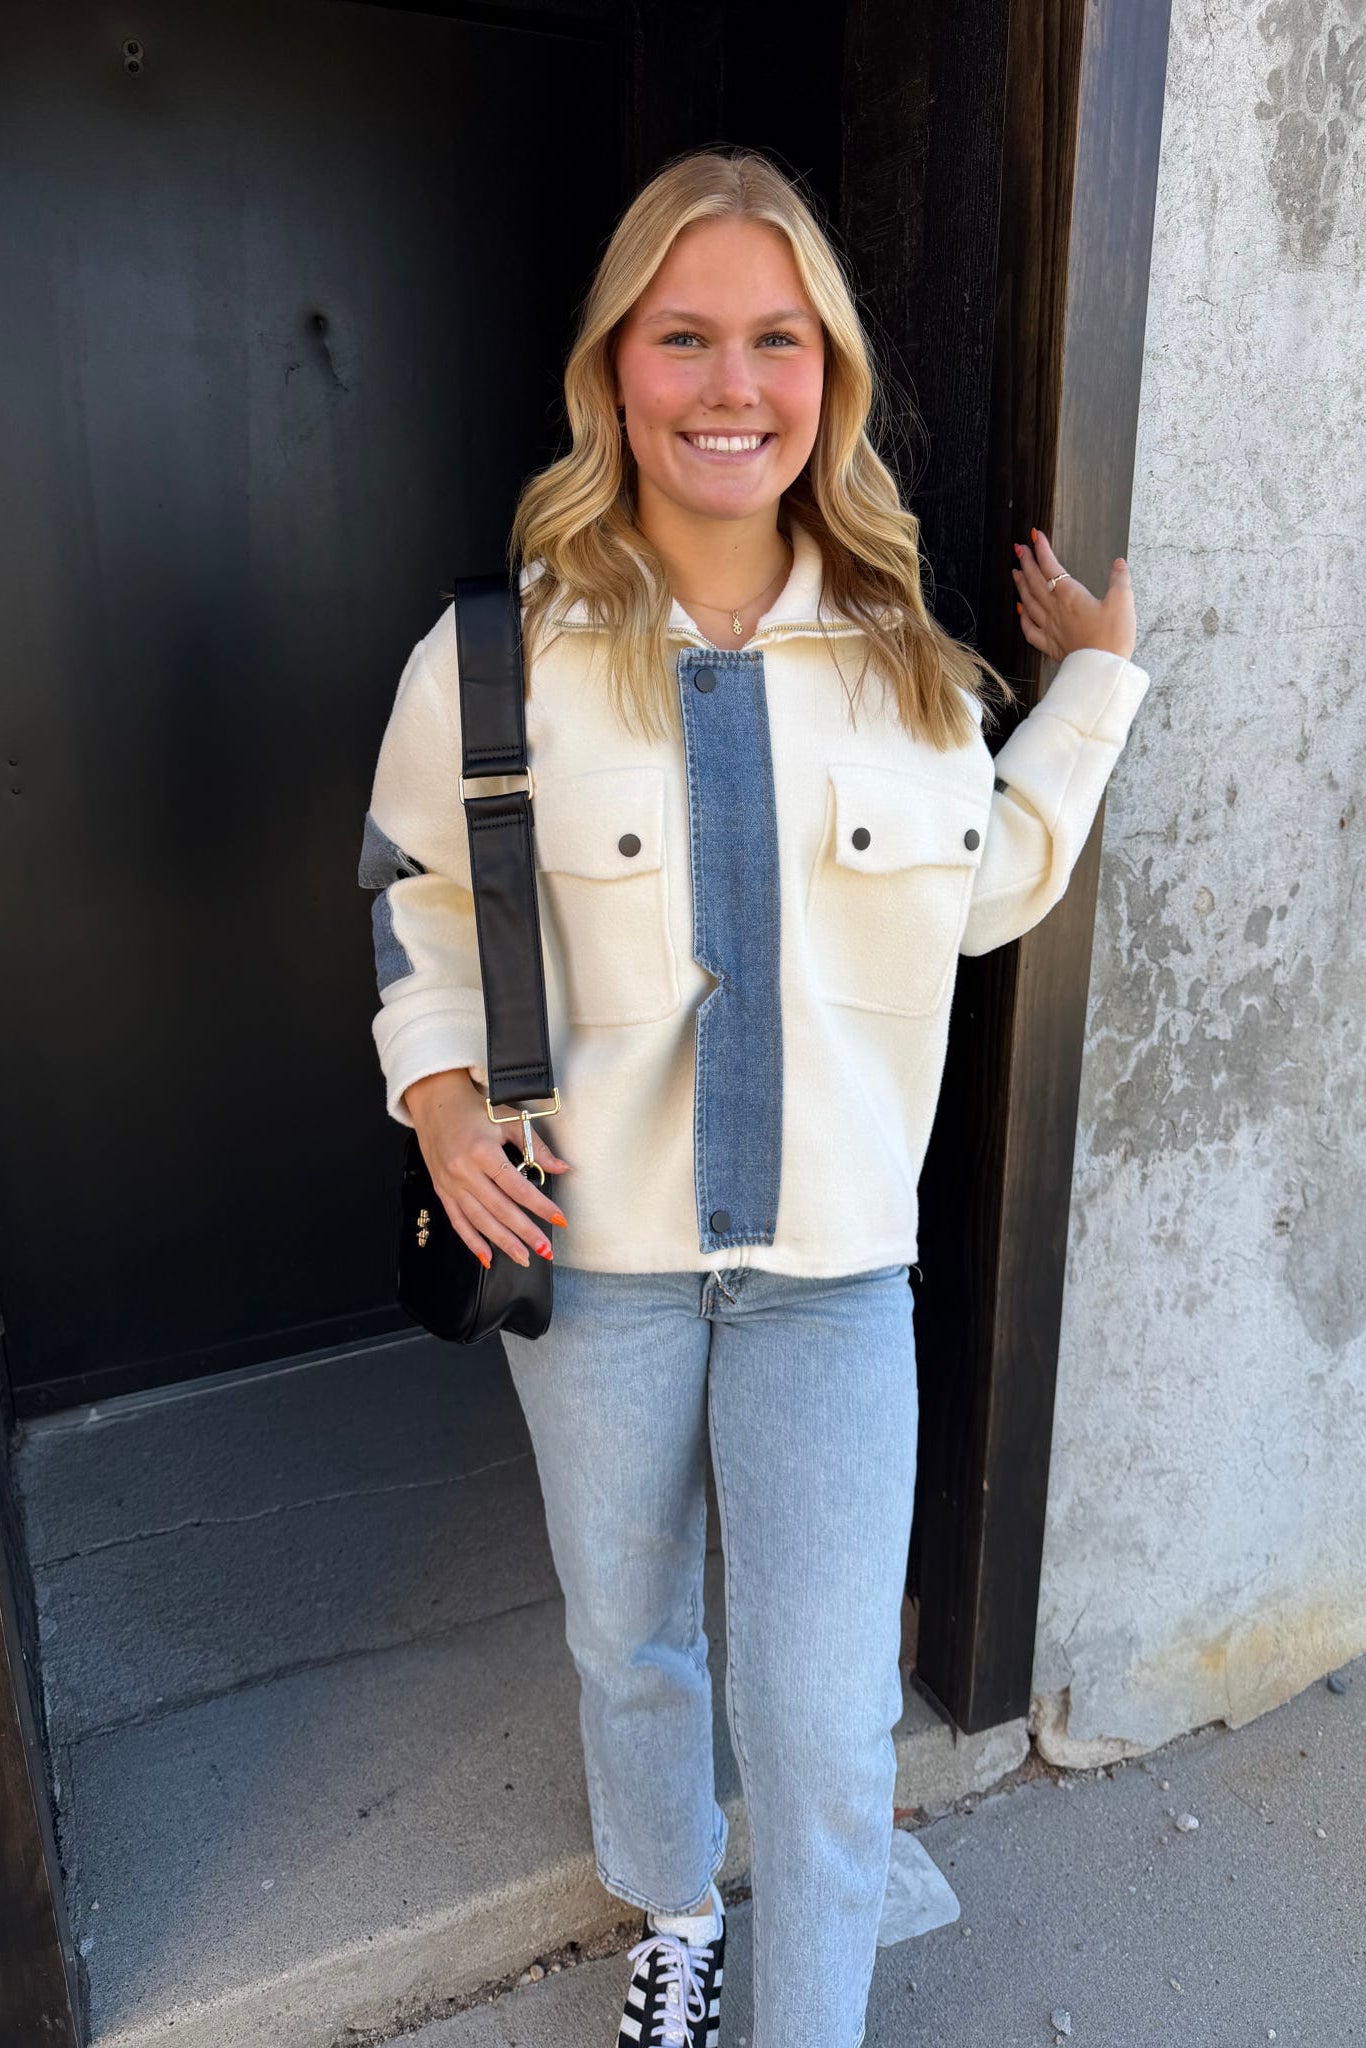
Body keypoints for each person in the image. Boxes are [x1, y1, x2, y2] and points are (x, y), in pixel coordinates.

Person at [359, 148, 1148, 2048]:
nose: (731, 384)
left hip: (828, 1281)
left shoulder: (903, 667)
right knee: (630, 1645)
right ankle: (671, 1915)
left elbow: (980, 891)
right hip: (596, 1261)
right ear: (614, 367)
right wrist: (446, 1109)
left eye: (775, 340)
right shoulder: (495, 655)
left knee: (817, 1720)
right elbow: (414, 896)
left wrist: (1094, 690)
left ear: (829, 375)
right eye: (684, 335)